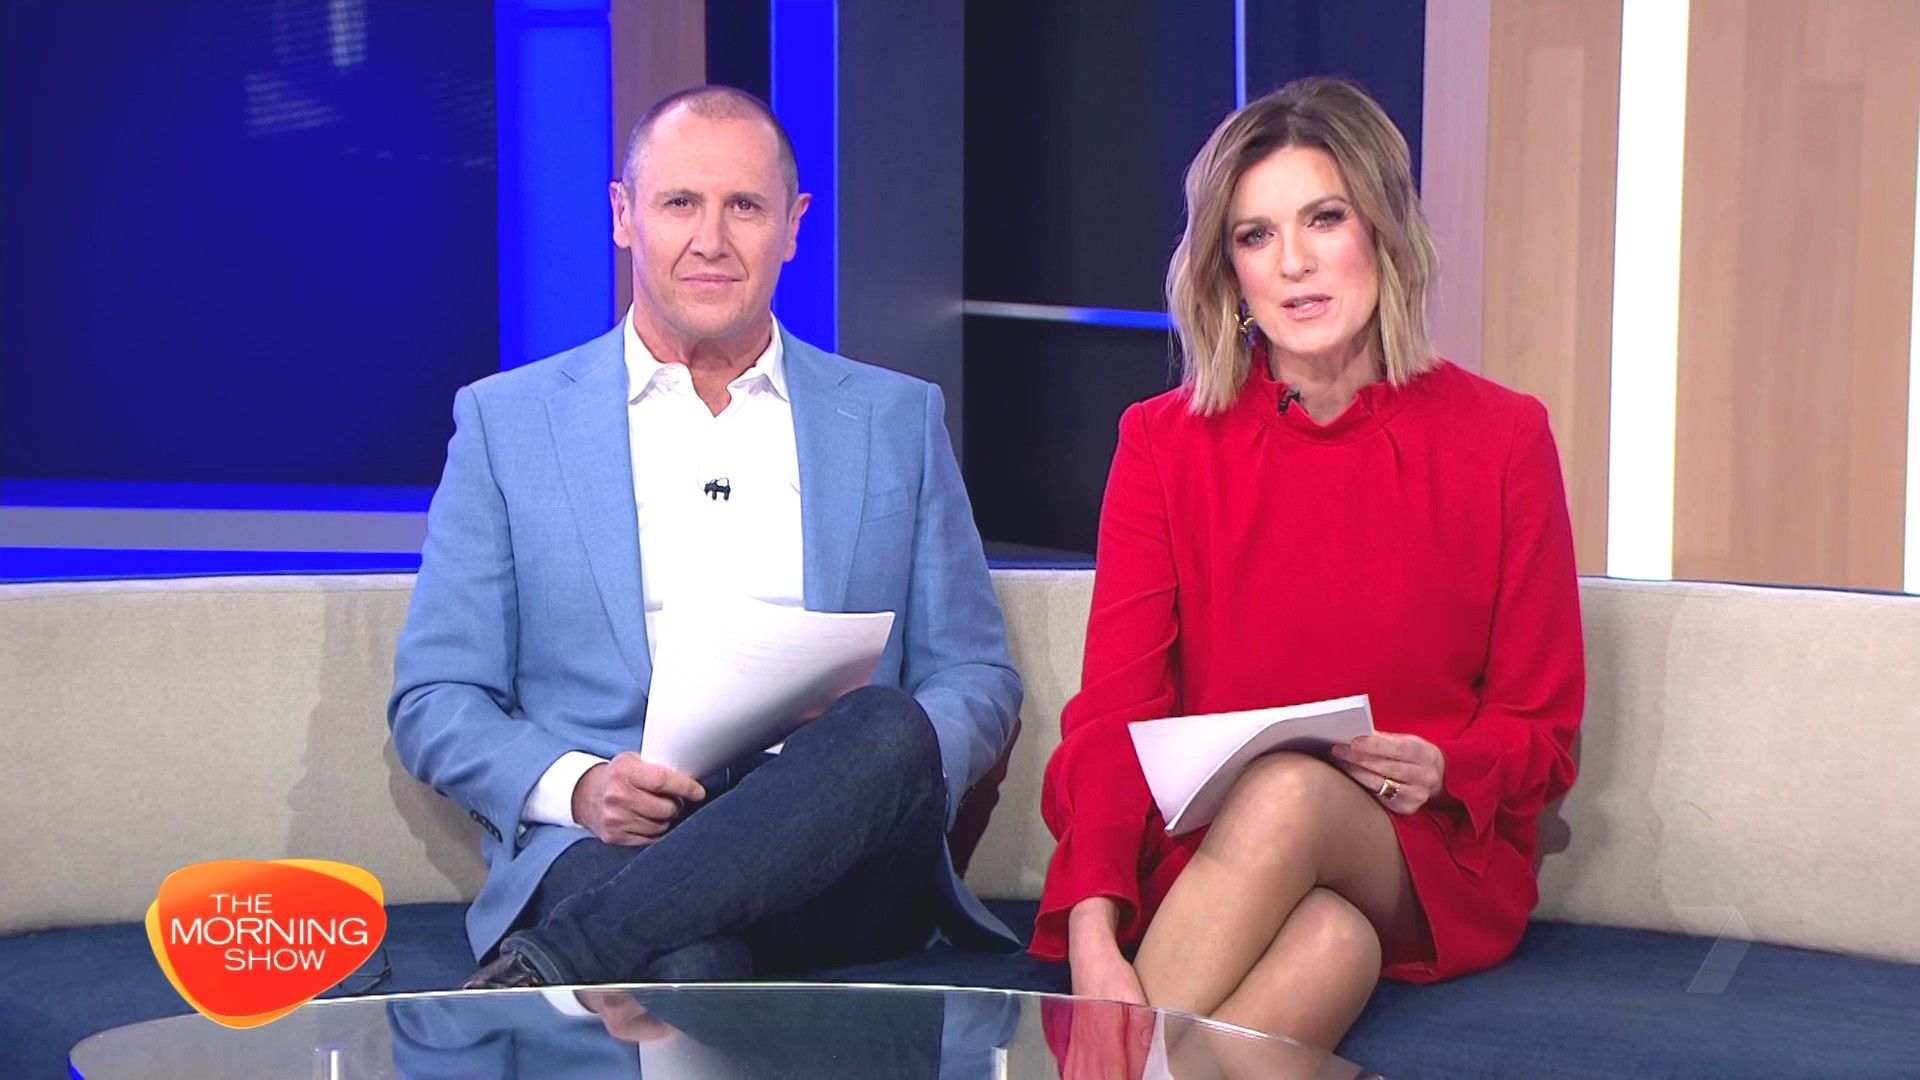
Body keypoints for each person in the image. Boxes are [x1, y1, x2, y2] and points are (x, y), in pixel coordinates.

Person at [389, 85, 1022, 990]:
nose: (712, 240)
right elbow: (438, 697)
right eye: (680, 203)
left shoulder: (896, 418)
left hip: (836, 842)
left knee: (886, 726)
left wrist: (895, 775)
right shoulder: (508, 423)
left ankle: (565, 954)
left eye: (746, 207)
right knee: (693, 958)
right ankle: (629, 935)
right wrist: (580, 786)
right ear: (624, 215)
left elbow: (975, 672)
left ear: (793, 225)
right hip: (612, 841)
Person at [1031, 77, 1584, 1053]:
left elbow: (1541, 728)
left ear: (1385, 230)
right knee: (1330, 945)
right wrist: (1092, 930)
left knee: (1289, 794)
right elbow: (1116, 716)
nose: (1293, 263)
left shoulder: (1503, 438)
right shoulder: (1164, 444)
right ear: (1228, 267)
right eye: (1256, 235)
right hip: (1214, 858)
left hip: (1424, 851)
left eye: (1325, 219)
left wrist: (1447, 763)